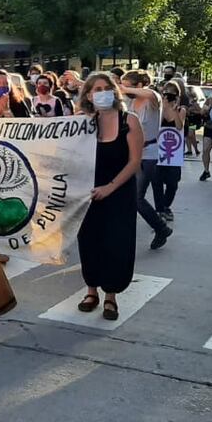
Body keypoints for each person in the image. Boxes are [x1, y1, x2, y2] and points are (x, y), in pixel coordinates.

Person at [75, 72, 142, 320]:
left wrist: (110, 187)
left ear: (114, 91)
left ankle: (111, 296)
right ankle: (91, 291)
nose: (101, 92)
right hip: (88, 193)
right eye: (96, 89)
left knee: (117, 244)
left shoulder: (129, 121)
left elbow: (135, 161)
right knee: (90, 242)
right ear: (88, 96)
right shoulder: (81, 123)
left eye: (106, 87)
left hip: (119, 192)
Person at [120, 70, 172, 249]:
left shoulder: (152, 99)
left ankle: (161, 228)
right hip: (132, 152)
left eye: (127, 85)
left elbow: (151, 93)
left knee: (137, 197)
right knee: (128, 195)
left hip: (149, 152)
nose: (123, 89)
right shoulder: (131, 101)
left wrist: (122, 88)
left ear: (139, 86)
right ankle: (126, 231)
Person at [155, 78, 186, 223]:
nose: (169, 96)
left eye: (172, 94)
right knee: (158, 181)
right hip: (159, 149)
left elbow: (180, 127)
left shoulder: (181, 110)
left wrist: (174, 111)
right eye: (166, 93)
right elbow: (156, 125)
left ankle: (166, 205)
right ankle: (160, 209)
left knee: (173, 182)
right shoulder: (158, 108)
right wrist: (163, 107)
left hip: (174, 151)